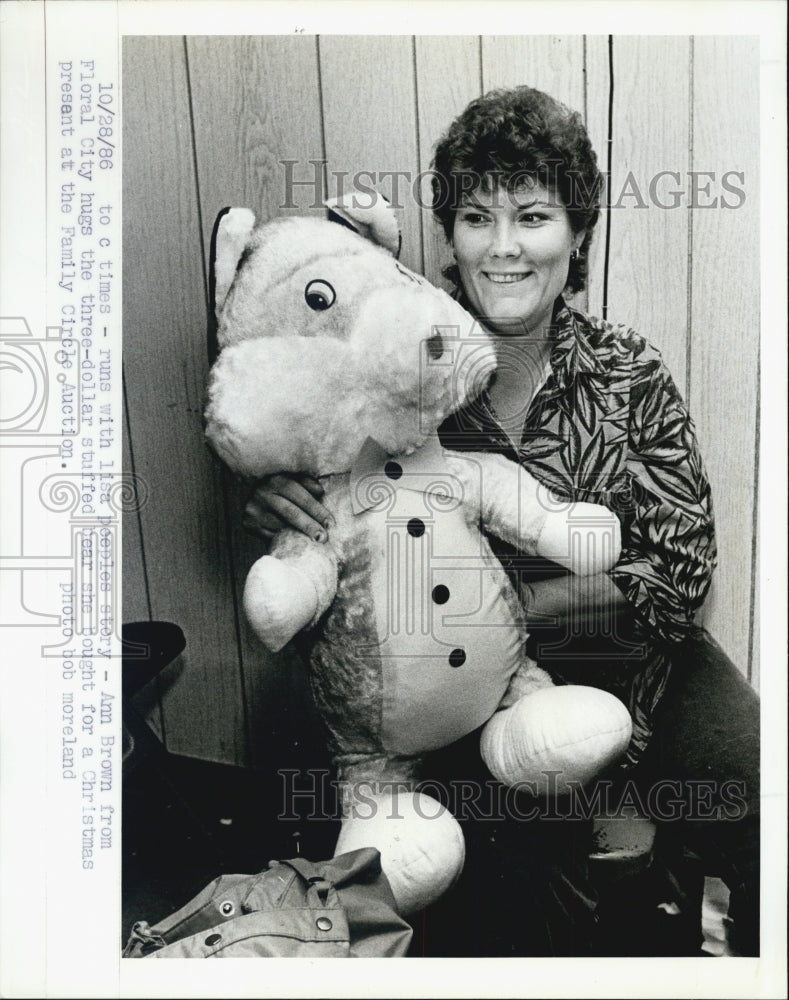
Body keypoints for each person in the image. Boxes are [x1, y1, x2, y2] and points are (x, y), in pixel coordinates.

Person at [243, 85, 759, 956]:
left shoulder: (627, 371)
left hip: (632, 663)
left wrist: (520, 613)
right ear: (449, 234)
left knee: (746, 767)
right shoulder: (391, 364)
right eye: (477, 217)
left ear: (578, 232)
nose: (505, 246)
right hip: (443, 696)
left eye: (533, 215)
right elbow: (290, 411)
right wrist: (276, 497)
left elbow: (679, 568)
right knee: (526, 907)